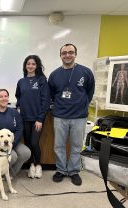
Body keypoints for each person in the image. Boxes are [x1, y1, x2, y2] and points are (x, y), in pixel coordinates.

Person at [48, 43, 95, 186]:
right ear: (60, 55)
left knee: (76, 146)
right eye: (64, 53)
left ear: (75, 54)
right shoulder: (54, 74)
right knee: (59, 146)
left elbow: (90, 91)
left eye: (71, 52)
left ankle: (74, 171)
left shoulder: (85, 72)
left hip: (79, 116)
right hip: (60, 115)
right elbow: (51, 94)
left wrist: (82, 104)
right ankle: (61, 170)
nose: (67, 55)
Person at [0, 89, 31, 177]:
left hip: (12, 142)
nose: (4, 99)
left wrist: (12, 143)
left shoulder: (14, 113)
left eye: (6, 96)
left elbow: (19, 129)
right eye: (0, 97)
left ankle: (10, 175)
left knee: (26, 153)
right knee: (13, 157)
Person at [15, 55, 50, 179]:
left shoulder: (41, 80)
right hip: (24, 118)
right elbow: (18, 96)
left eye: (33, 64)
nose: (30, 66)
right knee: (28, 143)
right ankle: (31, 165)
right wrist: (19, 106)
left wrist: (40, 118)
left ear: (37, 66)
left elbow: (45, 101)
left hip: (37, 119)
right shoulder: (21, 81)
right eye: (28, 64)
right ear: (25, 66)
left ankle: (38, 165)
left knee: (35, 142)